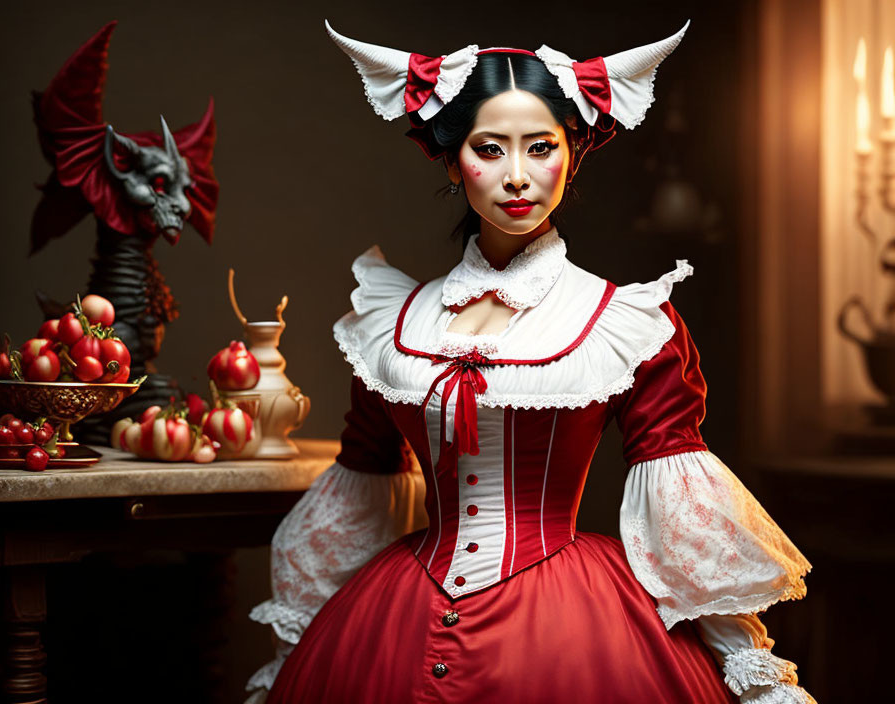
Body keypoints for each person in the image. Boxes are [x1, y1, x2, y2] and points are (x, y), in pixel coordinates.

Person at [246, 20, 816, 704]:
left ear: (573, 153)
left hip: (574, 627)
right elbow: (364, 483)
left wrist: (749, 672)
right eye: (490, 149)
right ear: (455, 159)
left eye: (541, 148)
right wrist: (298, 645)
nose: (517, 176)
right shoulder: (391, 323)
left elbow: (680, 507)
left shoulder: (624, 322)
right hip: (397, 613)